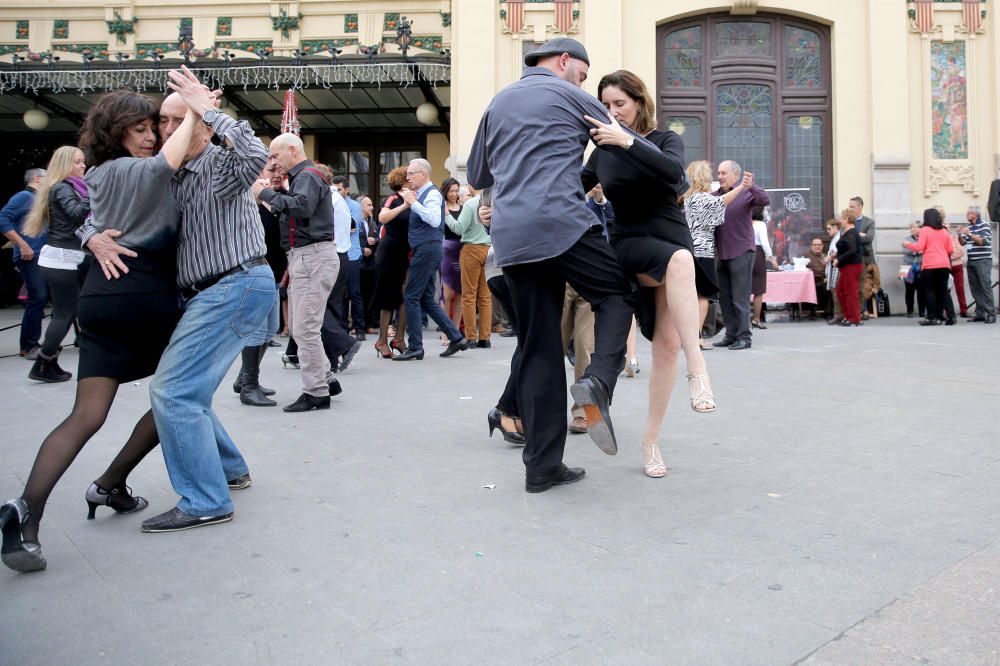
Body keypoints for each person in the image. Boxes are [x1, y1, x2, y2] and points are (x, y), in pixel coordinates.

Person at [0, 89, 195, 572]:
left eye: (154, 127)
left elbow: (87, 221)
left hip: (100, 300)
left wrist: (90, 236)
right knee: (177, 400)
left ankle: (26, 512)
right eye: (140, 129)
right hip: (143, 298)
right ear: (115, 133)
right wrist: (196, 107)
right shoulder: (131, 169)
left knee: (86, 415)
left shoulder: (96, 178)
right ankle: (108, 482)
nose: (151, 137)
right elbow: (163, 164)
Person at [468, 38, 637, 492]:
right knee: (617, 293)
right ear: (565, 62)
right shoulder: (572, 95)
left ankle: (542, 468)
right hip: (562, 222)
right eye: (582, 73)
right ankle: (599, 380)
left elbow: (477, 177)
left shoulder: (497, 102)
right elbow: (626, 145)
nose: (584, 81)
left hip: (511, 236)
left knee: (539, 344)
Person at [140, 69, 276, 533]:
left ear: (203, 125)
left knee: (172, 391)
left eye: (181, 119)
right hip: (215, 290)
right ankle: (230, 469)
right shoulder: (167, 175)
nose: (168, 128)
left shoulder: (218, 165)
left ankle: (204, 499)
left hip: (233, 285)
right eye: (163, 119)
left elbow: (257, 153)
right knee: (188, 390)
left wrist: (208, 106)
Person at [584, 69, 717, 478]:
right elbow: (572, 187)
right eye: (605, 106)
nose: (612, 113)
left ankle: (650, 442)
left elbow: (675, 176)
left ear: (639, 103)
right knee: (679, 261)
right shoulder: (601, 150)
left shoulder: (663, 140)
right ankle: (701, 370)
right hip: (630, 243)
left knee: (665, 346)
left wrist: (628, 140)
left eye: (619, 104)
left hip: (670, 234)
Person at [256, 134, 340, 412]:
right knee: (300, 325)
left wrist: (265, 194)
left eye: (275, 156)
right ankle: (326, 378)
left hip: (311, 257)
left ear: (292, 150)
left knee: (304, 328)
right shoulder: (305, 176)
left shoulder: (307, 176)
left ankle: (317, 392)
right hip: (308, 257)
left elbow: (301, 208)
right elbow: (299, 209)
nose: (273, 162)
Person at [22, 147, 90, 382]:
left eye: (83, 162)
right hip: (63, 258)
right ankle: (43, 363)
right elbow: (75, 214)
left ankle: (48, 362)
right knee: (64, 313)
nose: (83, 166)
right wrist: (95, 193)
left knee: (67, 313)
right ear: (65, 165)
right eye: (78, 162)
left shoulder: (65, 187)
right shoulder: (63, 187)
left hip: (65, 257)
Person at [392, 158, 469, 361]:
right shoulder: (426, 193)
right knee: (425, 298)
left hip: (427, 248)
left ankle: (416, 346)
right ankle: (456, 337)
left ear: (423, 175)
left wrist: (413, 203)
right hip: (427, 248)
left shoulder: (432, 193)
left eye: (411, 173)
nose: (407, 178)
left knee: (411, 296)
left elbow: (435, 220)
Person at [682, 159, 751, 349]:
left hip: (690, 250)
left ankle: (689, 336)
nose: (715, 177)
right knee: (703, 297)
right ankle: (697, 338)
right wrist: (741, 187)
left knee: (691, 296)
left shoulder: (689, 197)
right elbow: (722, 202)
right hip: (703, 253)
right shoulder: (702, 198)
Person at [712, 160, 770, 350]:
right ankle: (731, 334)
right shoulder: (716, 196)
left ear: (736, 175)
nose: (719, 176)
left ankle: (744, 337)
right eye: (718, 173)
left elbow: (764, 200)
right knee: (726, 298)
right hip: (721, 253)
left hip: (741, 251)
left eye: (724, 173)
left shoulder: (746, 192)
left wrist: (752, 186)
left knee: (740, 297)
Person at [0, 168, 48, 359]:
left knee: (41, 297)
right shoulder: (24, 196)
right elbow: (2, 218)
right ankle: (29, 345)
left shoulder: (38, 199)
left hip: (41, 255)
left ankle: (32, 344)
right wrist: (22, 244)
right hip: (30, 255)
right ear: (36, 179)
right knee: (38, 297)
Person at [446, 184, 493, 348]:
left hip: (471, 249)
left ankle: (471, 336)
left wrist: (447, 215)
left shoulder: (471, 203)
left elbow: (458, 228)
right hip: (488, 249)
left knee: (469, 295)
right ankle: (485, 337)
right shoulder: (492, 201)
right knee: (485, 296)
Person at [373, 166, 411, 358]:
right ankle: (381, 340)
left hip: (406, 252)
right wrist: (405, 205)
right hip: (389, 251)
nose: (412, 181)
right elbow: (382, 217)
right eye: (409, 177)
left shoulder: (415, 199)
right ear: (402, 181)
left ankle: (399, 338)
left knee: (405, 296)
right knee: (388, 296)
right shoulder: (393, 199)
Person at [905, 208, 955, 326]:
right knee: (943, 291)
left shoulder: (925, 230)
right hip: (944, 265)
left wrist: (908, 244)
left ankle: (931, 317)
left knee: (930, 291)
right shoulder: (944, 231)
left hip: (930, 265)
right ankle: (945, 316)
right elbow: (950, 249)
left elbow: (919, 247)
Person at [957, 205, 995, 323]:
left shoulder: (985, 225)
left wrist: (969, 234)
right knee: (975, 288)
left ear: (975, 214)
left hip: (983, 260)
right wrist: (959, 234)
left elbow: (982, 241)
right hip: (972, 260)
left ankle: (991, 314)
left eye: (969, 213)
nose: (967, 215)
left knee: (985, 287)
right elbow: (963, 243)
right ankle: (980, 313)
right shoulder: (968, 227)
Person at [439, 177, 464, 344]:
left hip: (463, 250)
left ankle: (455, 331)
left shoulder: (464, 208)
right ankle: (445, 332)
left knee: (461, 293)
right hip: (447, 250)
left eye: (456, 190)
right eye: (451, 191)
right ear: (445, 191)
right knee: (447, 294)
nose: (454, 194)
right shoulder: (441, 208)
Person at [832, 209, 863, 327]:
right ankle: (847, 316)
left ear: (846, 219)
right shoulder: (847, 232)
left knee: (850, 292)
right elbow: (847, 248)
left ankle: (854, 318)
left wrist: (839, 259)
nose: (840, 220)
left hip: (851, 265)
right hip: (846, 266)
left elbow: (852, 250)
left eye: (841, 218)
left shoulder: (851, 233)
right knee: (841, 291)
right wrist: (836, 255)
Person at [848, 196, 876, 319]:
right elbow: (845, 238)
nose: (850, 209)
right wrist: (859, 235)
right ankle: (856, 310)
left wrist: (854, 234)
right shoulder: (848, 221)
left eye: (852, 207)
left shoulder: (869, 222)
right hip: (850, 258)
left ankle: (863, 310)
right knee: (853, 285)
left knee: (863, 285)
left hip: (864, 258)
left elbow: (869, 238)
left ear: (860, 207)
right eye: (849, 207)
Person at [750, 206, 777, 328]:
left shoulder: (743, 223)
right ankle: (756, 319)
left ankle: (744, 320)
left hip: (742, 254)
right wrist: (771, 258)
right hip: (757, 253)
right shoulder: (760, 225)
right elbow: (765, 243)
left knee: (743, 289)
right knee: (758, 289)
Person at [357, 195, 381, 333]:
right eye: (369, 205)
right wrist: (361, 250)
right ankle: (357, 324)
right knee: (356, 295)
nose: (372, 207)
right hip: (358, 263)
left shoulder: (372, 222)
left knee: (369, 294)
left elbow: (378, 238)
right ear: (361, 207)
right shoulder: (355, 221)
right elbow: (350, 241)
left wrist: (375, 241)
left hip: (371, 264)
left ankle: (369, 324)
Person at [901, 221, 925, 319]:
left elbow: (925, 249)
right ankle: (909, 311)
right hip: (907, 267)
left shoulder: (924, 238)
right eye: (911, 228)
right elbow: (906, 250)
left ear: (920, 229)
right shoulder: (906, 238)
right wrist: (918, 250)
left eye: (914, 227)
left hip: (921, 266)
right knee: (909, 290)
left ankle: (922, 311)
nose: (912, 229)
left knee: (921, 290)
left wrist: (914, 248)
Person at [824, 219, 843, 325]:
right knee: (834, 291)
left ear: (836, 228)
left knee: (836, 292)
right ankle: (838, 315)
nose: (828, 231)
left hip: (836, 267)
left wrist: (829, 257)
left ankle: (838, 315)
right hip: (833, 267)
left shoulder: (839, 238)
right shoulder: (835, 238)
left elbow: (837, 252)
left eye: (829, 228)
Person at [806, 237, 829, 318]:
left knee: (830, 286)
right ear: (811, 246)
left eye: (819, 245)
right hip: (811, 280)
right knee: (811, 287)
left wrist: (827, 278)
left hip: (824, 279)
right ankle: (812, 312)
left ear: (822, 246)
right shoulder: (805, 256)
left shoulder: (826, 256)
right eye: (815, 245)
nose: (817, 247)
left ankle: (827, 312)